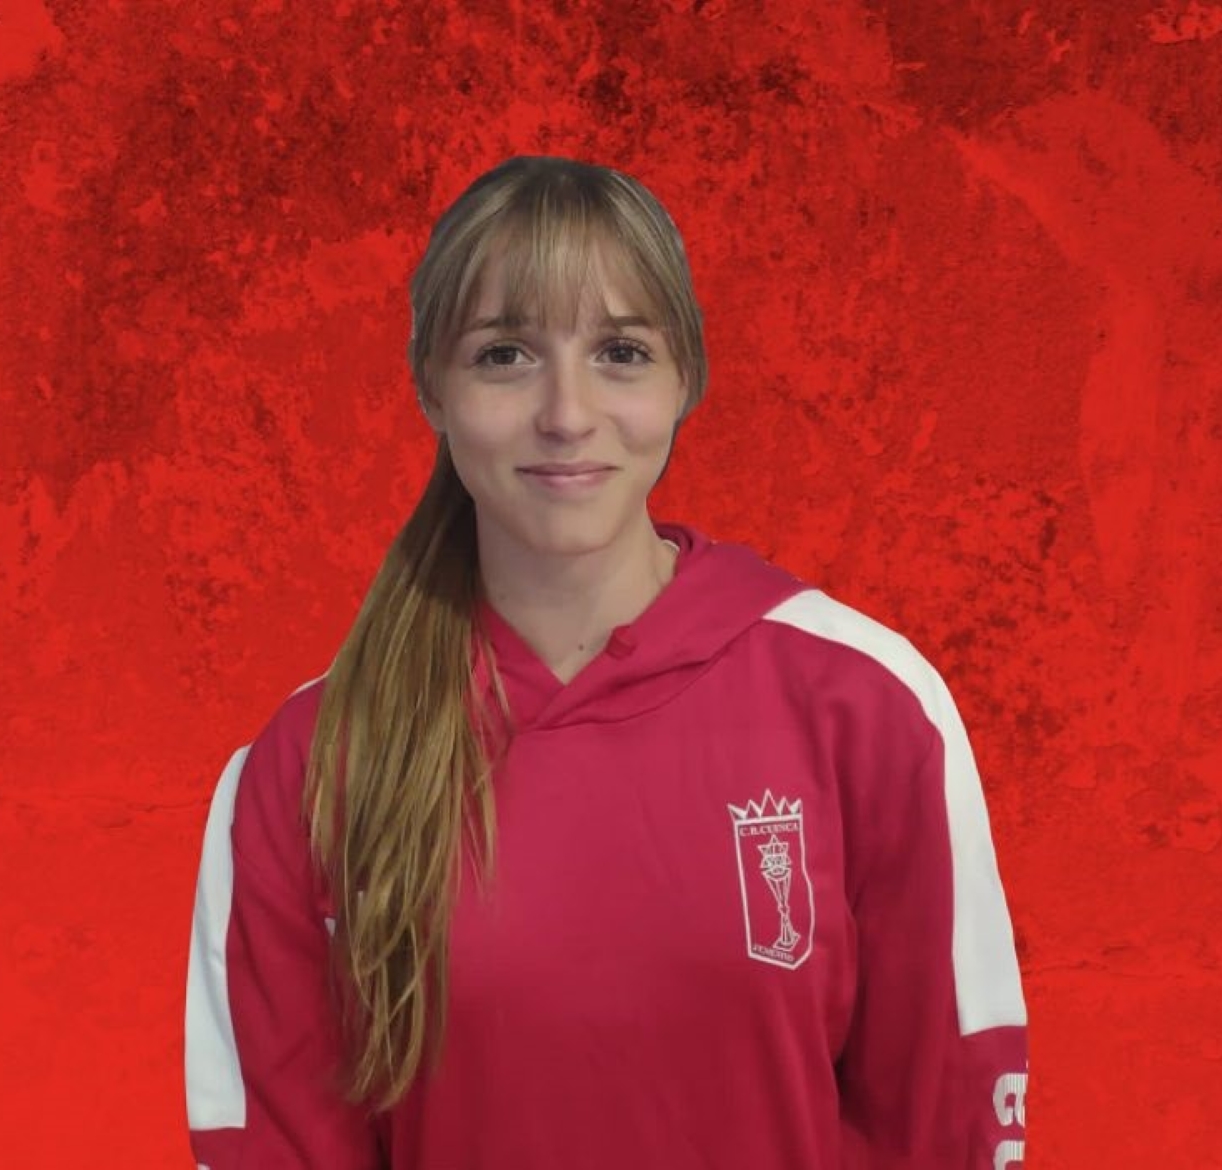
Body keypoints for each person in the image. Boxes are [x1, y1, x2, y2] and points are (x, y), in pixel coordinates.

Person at [184, 154, 1030, 1169]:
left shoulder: (866, 705)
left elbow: (946, 1122)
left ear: (686, 379)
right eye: (505, 355)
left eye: (621, 352)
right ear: (431, 386)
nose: (567, 414)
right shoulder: (314, 763)